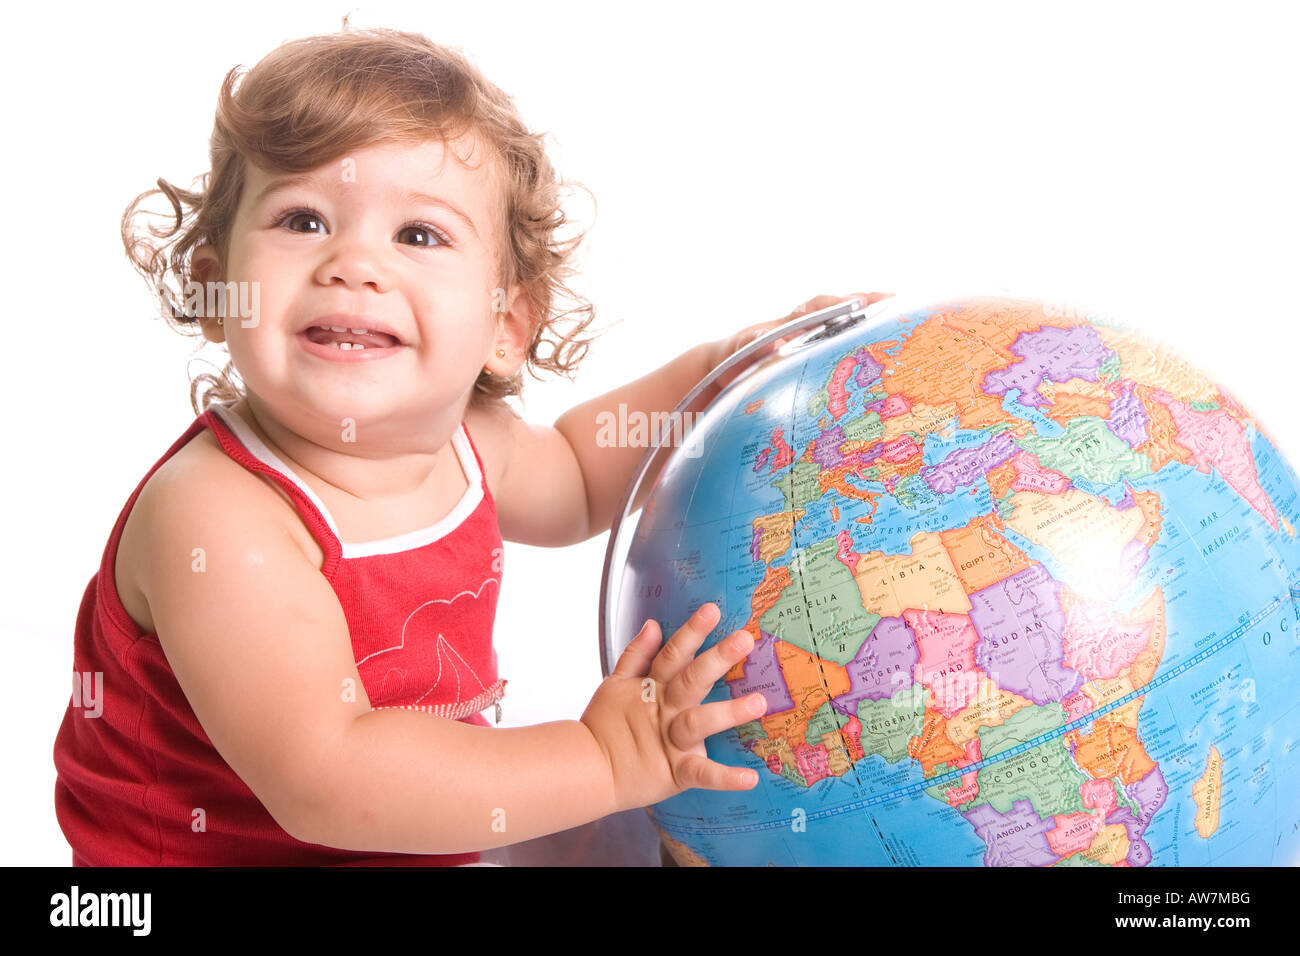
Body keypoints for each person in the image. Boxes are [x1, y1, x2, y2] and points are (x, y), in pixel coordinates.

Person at [52, 24, 888, 865]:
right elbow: (326, 778)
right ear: (213, 288)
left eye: (418, 235)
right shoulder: (217, 517)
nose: (352, 263)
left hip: (424, 825)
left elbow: (570, 476)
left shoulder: (465, 440)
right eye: (302, 219)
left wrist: (714, 375)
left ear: (505, 327)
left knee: (687, 824)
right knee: (625, 790)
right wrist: (603, 758)